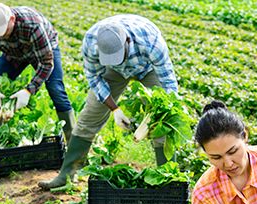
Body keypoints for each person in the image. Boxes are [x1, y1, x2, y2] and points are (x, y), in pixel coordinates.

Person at [39, 14, 179, 190]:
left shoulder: (151, 41)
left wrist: (160, 112)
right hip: (114, 72)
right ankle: (66, 175)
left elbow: (168, 84)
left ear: (127, 41)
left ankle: (169, 183)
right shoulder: (91, 43)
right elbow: (94, 78)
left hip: (147, 68)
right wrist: (115, 109)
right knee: (89, 117)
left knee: (163, 123)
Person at [0, 3, 74, 140]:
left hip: (42, 51)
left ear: (12, 19)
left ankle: (73, 142)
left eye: (4, 30)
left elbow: (47, 63)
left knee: (56, 90)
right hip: (13, 54)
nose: (0, 35)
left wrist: (28, 90)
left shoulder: (32, 25)